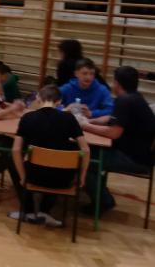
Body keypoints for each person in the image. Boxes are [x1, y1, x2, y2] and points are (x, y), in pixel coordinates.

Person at [10, 85, 90, 226]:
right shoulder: (69, 118)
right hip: (63, 180)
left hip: (33, 177)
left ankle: (28, 211)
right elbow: (86, 150)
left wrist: (23, 177)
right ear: (59, 101)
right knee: (60, 162)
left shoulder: (28, 118)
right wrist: (82, 176)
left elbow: (16, 149)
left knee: (13, 162)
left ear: (38, 98)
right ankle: (44, 211)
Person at [80, 66, 155, 215]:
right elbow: (111, 118)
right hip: (140, 155)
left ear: (117, 83)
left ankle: (103, 202)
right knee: (90, 153)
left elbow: (114, 133)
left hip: (135, 160)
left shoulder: (125, 100)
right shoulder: (135, 97)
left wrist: (84, 126)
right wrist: (90, 121)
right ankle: (99, 193)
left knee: (85, 159)